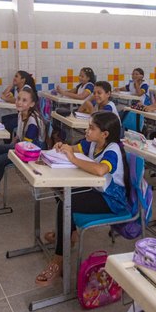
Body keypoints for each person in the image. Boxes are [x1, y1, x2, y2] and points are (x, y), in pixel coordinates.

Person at [37, 112, 130, 286]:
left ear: (105, 134)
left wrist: (72, 158)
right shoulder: (93, 142)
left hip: (112, 200)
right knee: (61, 190)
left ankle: (58, 260)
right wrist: (63, 147)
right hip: (97, 189)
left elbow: (100, 170)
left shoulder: (113, 150)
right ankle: (69, 235)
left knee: (66, 202)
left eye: (91, 128)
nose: (87, 131)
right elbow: (75, 148)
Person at [0, 84, 44, 201]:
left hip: (32, 153)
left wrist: (11, 149)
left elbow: (27, 147)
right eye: (18, 99)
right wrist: (10, 145)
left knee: (1, 159)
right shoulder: (21, 113)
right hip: (22, 147)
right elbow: (19, 137)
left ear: (32, 104)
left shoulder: (32, 122)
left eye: (24, 100)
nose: (19, 102)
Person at [0, 70, 33, 139]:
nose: (14, 78)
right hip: (20, 114)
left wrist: (6, 99)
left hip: (27, 116)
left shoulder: (26, 89)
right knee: (4, 119)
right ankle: (8, 142)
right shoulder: (17, 88)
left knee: (8, 124)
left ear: (23, 80)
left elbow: (16, 100)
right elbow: (3, 95)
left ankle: (10, 142)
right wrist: (11, 85)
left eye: (16, 76)